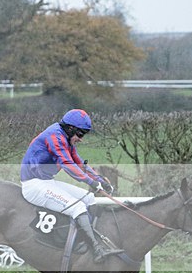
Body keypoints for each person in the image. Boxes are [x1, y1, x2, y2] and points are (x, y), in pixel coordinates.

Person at [20, 108, 123, 263]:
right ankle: (95, 249)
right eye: (80, 134)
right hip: (33, 185)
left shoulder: (65, 137)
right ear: (70, 129)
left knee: (89, 198)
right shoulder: (54, 136)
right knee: (78, 207)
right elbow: (68, 165)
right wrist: (91, 182)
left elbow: (78, 162)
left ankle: (93, 237)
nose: (81, 139)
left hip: (46, 182)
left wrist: (99, 179)